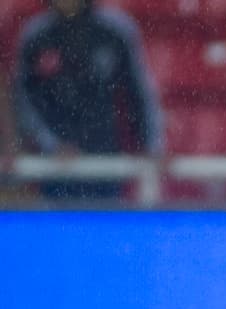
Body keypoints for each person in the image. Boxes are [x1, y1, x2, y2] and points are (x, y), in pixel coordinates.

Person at [12, 0, 164, 200]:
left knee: (105, 226)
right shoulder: (36, 35)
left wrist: (150, 144)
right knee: (59, 226)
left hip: (104, 161)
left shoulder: (115, 31)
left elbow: (139, 93)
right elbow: (24, 102)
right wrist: (51, 145)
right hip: (55, 167)